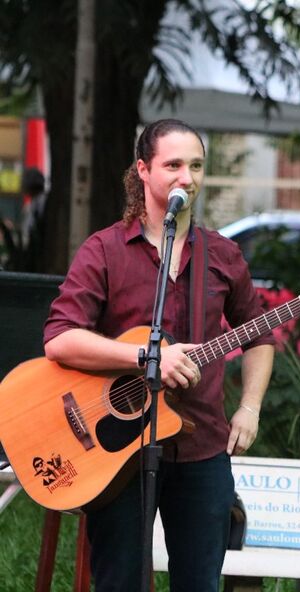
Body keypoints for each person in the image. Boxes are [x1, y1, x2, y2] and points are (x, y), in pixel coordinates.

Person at [43, 119, 275, 592]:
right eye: (173, 165)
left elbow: (260, 336)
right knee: (120, 582)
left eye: (195, 166)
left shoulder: (224, 255)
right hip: (117, 449)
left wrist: (249, 408)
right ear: (143, 171)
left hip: (203, 447)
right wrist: (145, 360)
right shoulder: (105, 250)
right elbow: (60, 338)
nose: (186, 177)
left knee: (199, 584)